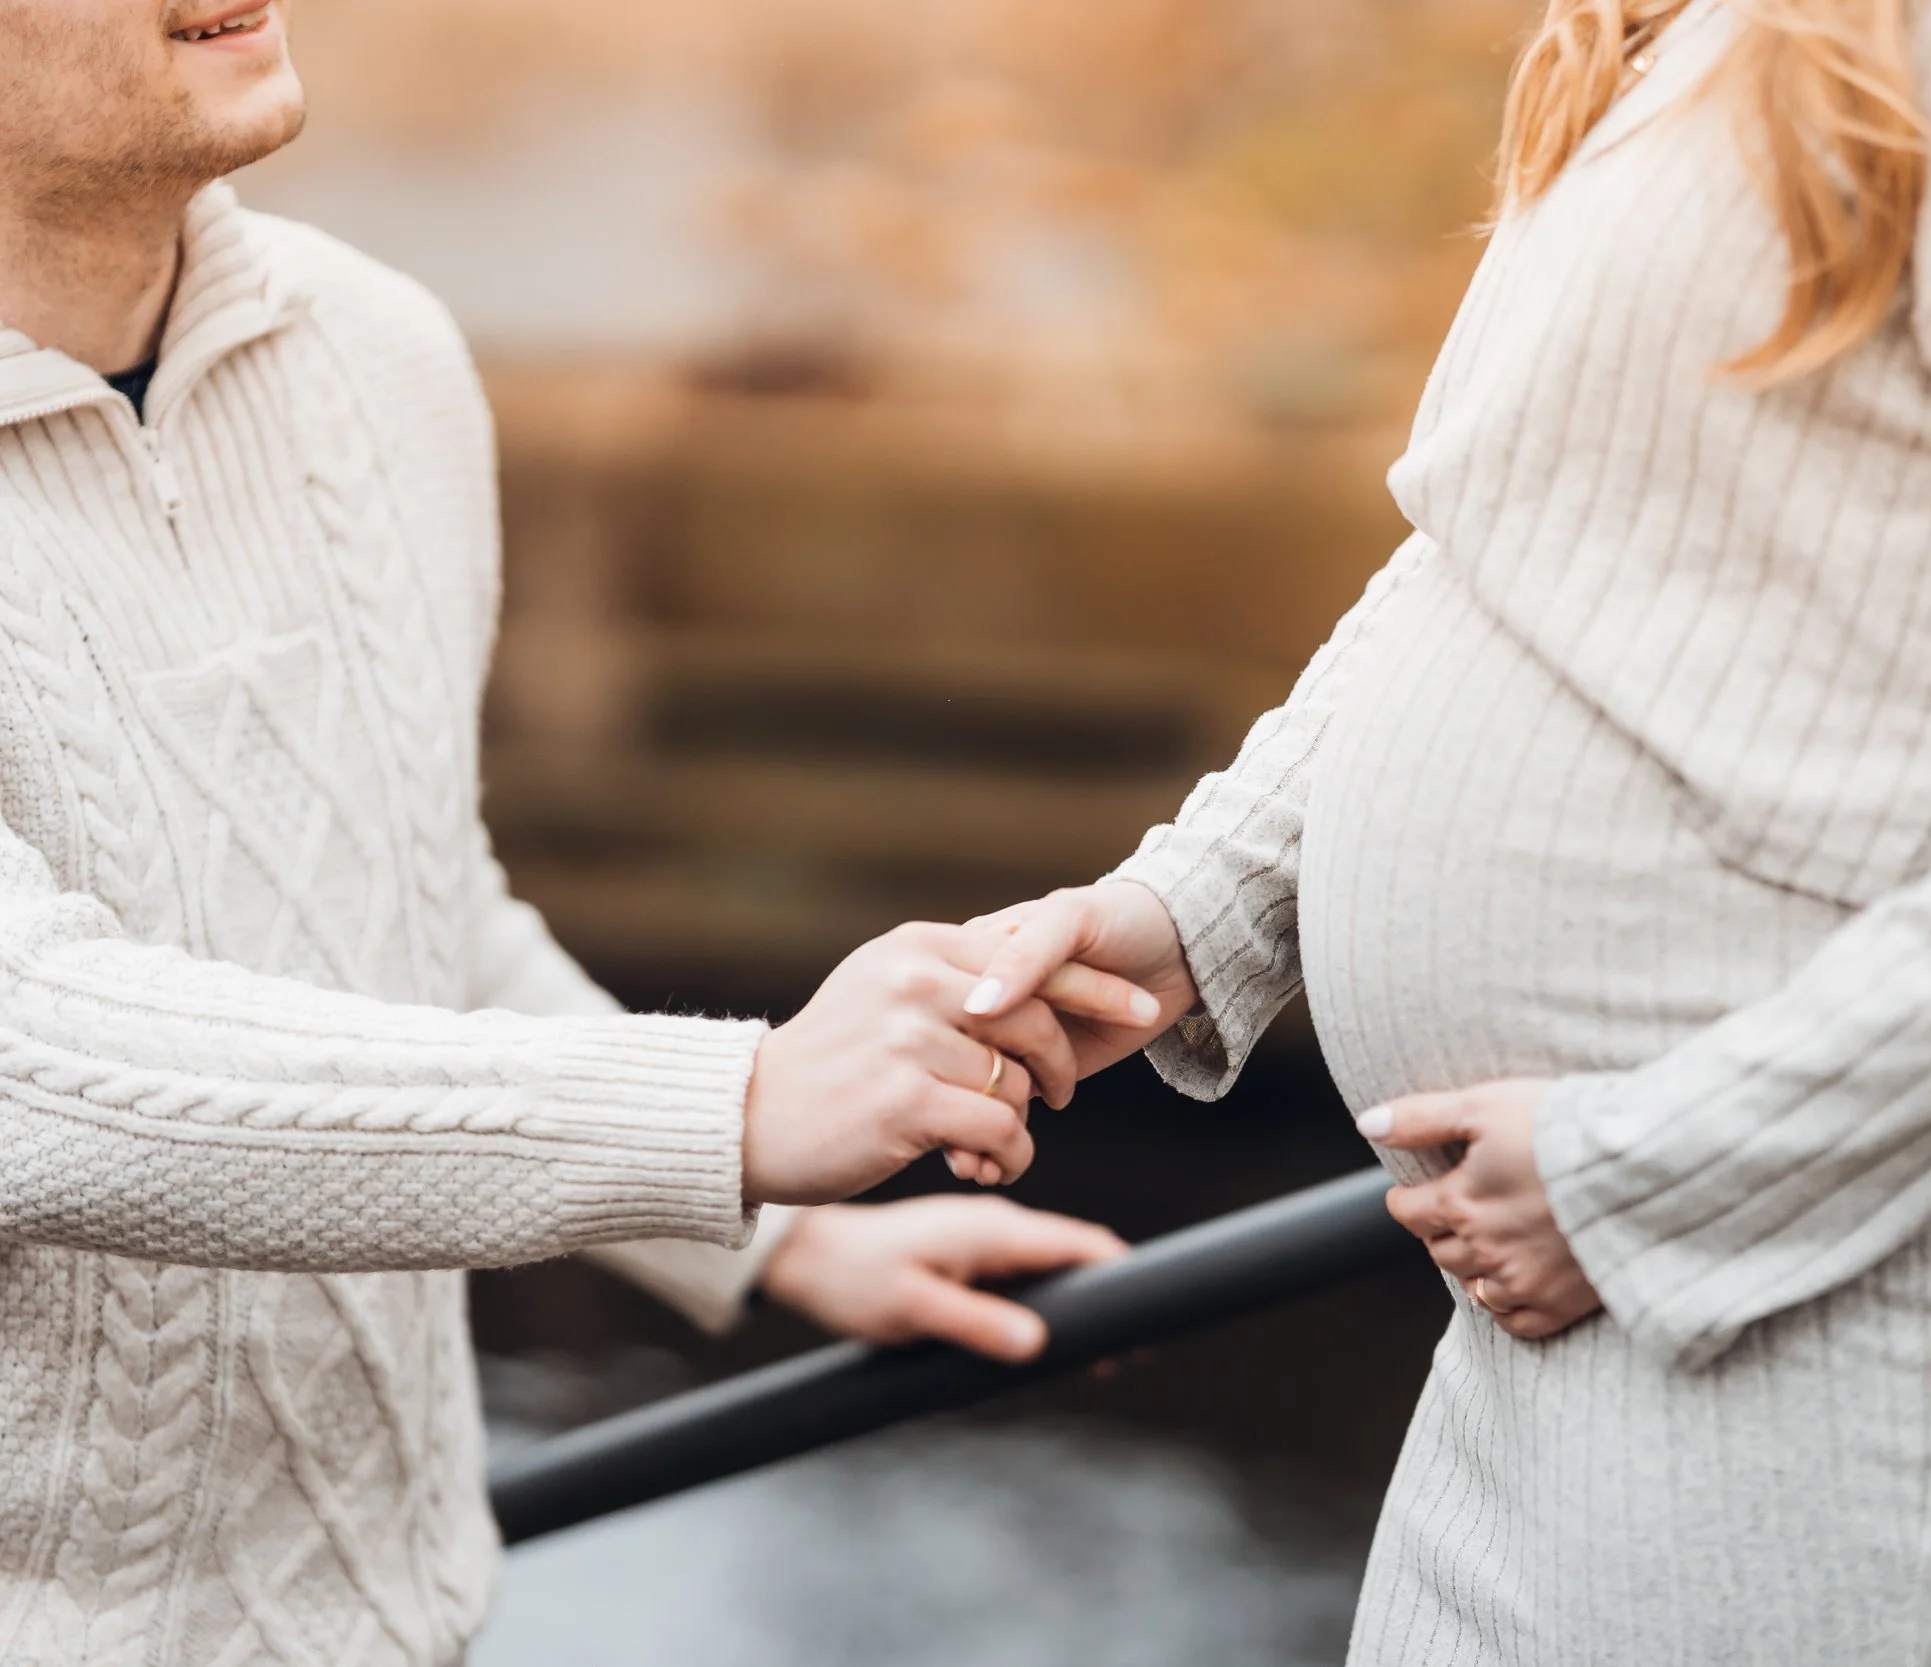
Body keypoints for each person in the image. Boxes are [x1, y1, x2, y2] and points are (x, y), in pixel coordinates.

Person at [962, 0, 1931, 1659]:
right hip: (1590, 1311)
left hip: (1852, 1344)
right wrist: (1200, 902)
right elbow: (1512, 541)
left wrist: (1654, 1174)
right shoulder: (1703, 27)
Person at [0, 4, 1148, 1662]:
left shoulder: (377, 354)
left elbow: (416, 908)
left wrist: (779, 1233)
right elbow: (33, 1055)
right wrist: (736, 1106)